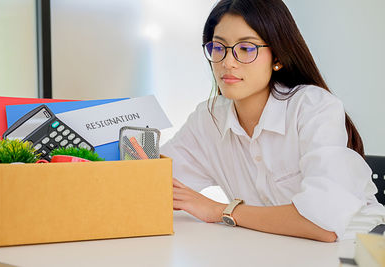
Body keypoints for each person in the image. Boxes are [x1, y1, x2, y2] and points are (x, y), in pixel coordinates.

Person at [160, 0, 385, 242]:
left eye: (246, 48)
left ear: (277, 56)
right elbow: (154, 185)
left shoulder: (312, 107)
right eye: (218, 47)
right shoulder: (210, 118)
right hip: (274, 250)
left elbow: (324, 226)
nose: (227, 62)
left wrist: (219, 210)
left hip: (361, 249)